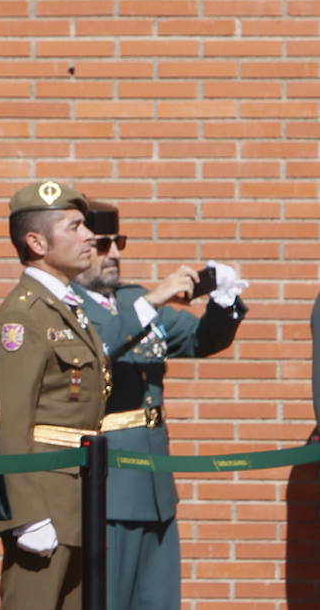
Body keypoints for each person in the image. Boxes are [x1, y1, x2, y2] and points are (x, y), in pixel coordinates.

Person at [73, 200, 247, 610]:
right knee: (107, 600)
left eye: (118, 242)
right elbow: (98, 350)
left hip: (154, 480)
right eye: (102, 244)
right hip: (108, 482)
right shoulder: (68, 310)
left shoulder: (132, 300)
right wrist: (153, 300)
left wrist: (223, 301)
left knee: (158, 600)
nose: (113, 253)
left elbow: (202, 340)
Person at [0, 180, 107, 610]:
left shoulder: (69, 307)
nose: (88, 236)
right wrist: (26, 514)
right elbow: (12, 419)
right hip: (45, 499)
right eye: (74, 226)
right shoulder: (24, 313)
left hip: (78, 493)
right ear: (36, 241)